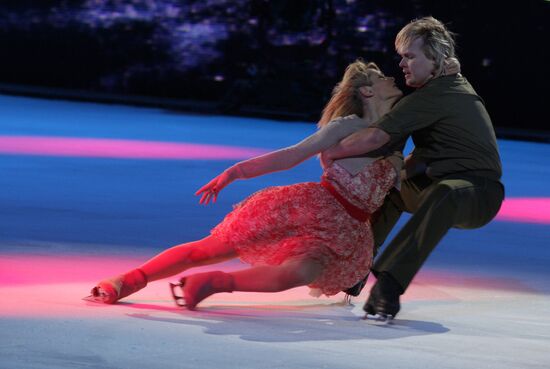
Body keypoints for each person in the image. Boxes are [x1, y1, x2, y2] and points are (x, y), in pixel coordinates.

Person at [88, 60, 404, 310]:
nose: (392, 80)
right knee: (208, 249)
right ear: (366, 92)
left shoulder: (394, 141)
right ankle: (130, 279)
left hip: (347, 229)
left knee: (300, 274)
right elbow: (292, 155)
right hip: (313, 209)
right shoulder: (349, 125)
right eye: (383, 78)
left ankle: (212, 283)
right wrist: (237, 171)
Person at [323, 17, 504, 321]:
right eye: (401, 56)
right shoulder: (440, 84)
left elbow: (375, 137)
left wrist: (330, 150)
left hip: (478, 194)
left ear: (434, 58)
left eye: (410, 56)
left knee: (447, 193)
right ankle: (356, 267)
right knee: (392, 191)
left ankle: (390, 284)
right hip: (438, 185)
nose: (402, 64)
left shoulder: (438, 93)